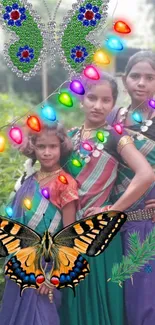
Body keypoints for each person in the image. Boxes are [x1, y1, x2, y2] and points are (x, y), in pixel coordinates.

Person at [58, 72, 155, 325]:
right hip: (67, 233)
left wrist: (111, 211)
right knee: (73, 301)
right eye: (91, 98)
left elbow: (146, 174)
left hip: (99, 233)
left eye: (106, 100)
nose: (98, 106)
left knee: (102, 303)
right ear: (81, 100)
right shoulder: (67, 138)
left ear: (113, 104)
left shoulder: (116, 137)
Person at [0, 122, 79, 325]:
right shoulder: (29, 180)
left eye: (52, 146)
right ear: (33, 148)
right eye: (41, 146)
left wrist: (53, 276)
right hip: (19, 263)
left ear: (61, 148)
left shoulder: (65, 183)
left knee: (43, 317)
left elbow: (69, 237)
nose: (46, 152)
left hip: (46, 265)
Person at [105, 50, 155, 325]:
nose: (142, 83)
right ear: (125, 80)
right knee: (115, 295)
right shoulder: (114, 116)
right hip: (113, 221)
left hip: (147, 222)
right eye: (135, 76)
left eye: (150, 77)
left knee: (143, 300)